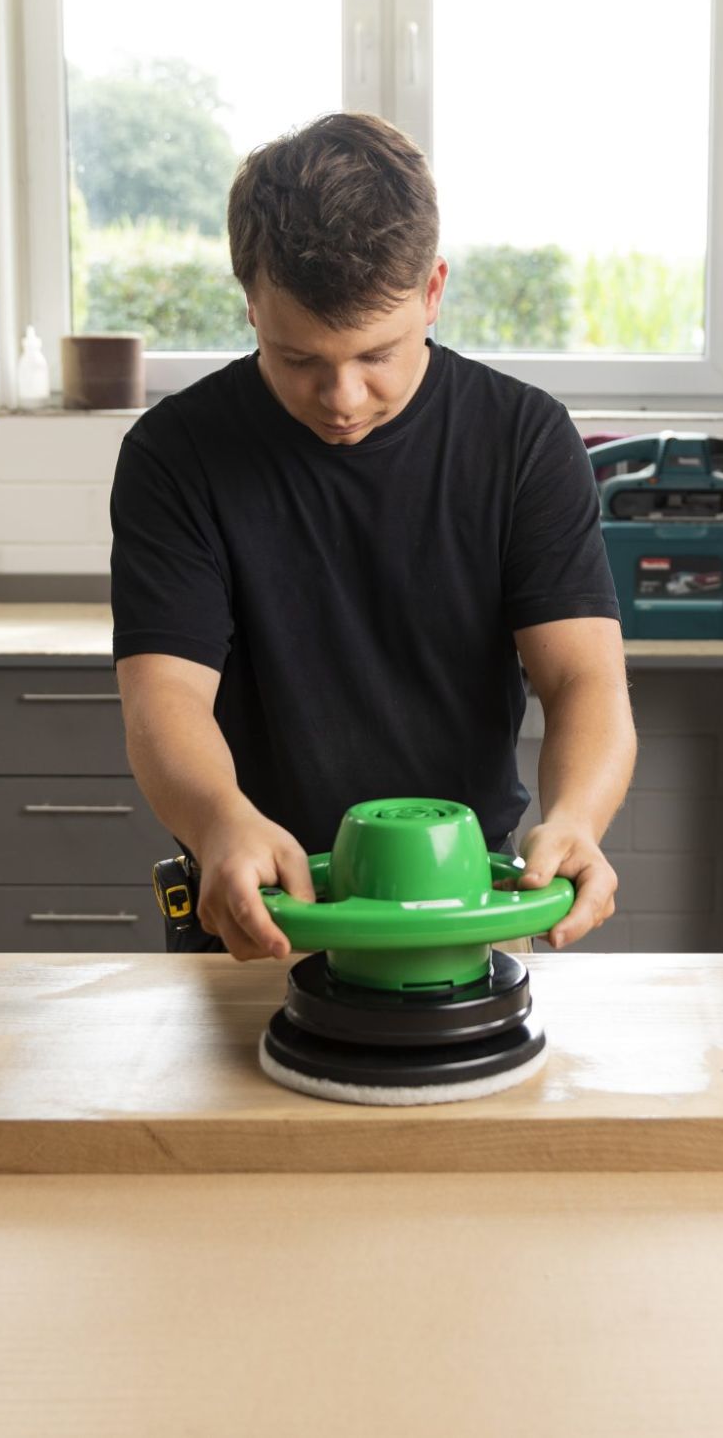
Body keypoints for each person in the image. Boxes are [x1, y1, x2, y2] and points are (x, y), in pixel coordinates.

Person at [107, 111, 637, 959]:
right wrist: (219, 820)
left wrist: (576, 817)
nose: (342, 398)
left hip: (463, 913)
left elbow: (583, 678)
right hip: (259, 904)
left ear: (432, 290)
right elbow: (163, 698)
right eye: (300, 360)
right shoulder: (176, 455)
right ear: (250, 303)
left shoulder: (524, 440)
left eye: (377, 355)